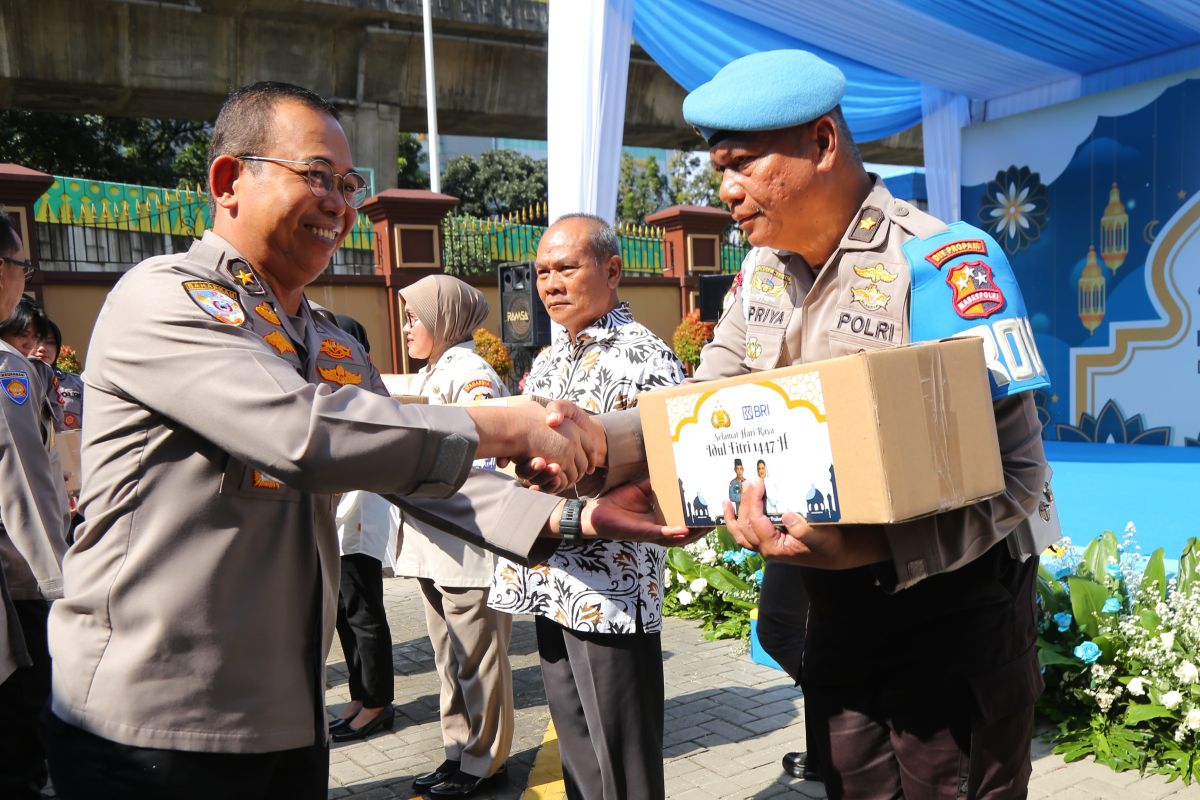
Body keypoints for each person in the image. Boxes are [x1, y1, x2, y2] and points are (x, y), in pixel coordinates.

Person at [42, 81, 688, 800]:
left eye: (349, 184)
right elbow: (304, 433)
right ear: (229, 180)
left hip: (283, 719)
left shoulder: (321, 336)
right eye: (317, 177)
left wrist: (579, 517)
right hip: (151, 722)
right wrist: (511, 422)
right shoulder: (164, 298)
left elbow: (409, 465)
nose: (342, 204)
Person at [568, 50, 1053, 798]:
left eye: (741, 165)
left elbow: (1019, 478)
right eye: (718, 169)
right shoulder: (762, 272)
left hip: (955, 613)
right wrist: (596, 444)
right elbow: (704, 404)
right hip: (834, 611)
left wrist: (867, 547)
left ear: (823, 143)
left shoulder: (943, 263)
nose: (725, 191)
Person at [489, 214, 686, 800]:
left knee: (624, 767)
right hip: (549, 577)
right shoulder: (550, 361)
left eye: (566, 268)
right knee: (576, 755)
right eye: (543, 271)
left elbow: (668, 464)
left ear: (613, 270)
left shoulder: (645, 356)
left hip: (610, 590)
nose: (550, 283)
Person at [395, 275, 515, 797]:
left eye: (412, 318)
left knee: (478, 656)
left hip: (466, 536)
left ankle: (485, 762)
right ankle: (457, 751)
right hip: (435, 537)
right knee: (449, 656)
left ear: (444, 319)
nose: (404, 329)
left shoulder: (471, 374)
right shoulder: (436, 370)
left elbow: (483, 456)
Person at [0, 213, 68, 800]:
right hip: (19, 591)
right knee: (23, 745)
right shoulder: (6, 372)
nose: (26, 277)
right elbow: (24, 488)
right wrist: (62, 590)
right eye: (23, 266)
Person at [324, 315, 397, 743]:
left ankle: (377, 703)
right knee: (344, 615)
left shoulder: (363, 392)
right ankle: (359, 695)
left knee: (363, 612)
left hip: (357, 510)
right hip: (337, 514)